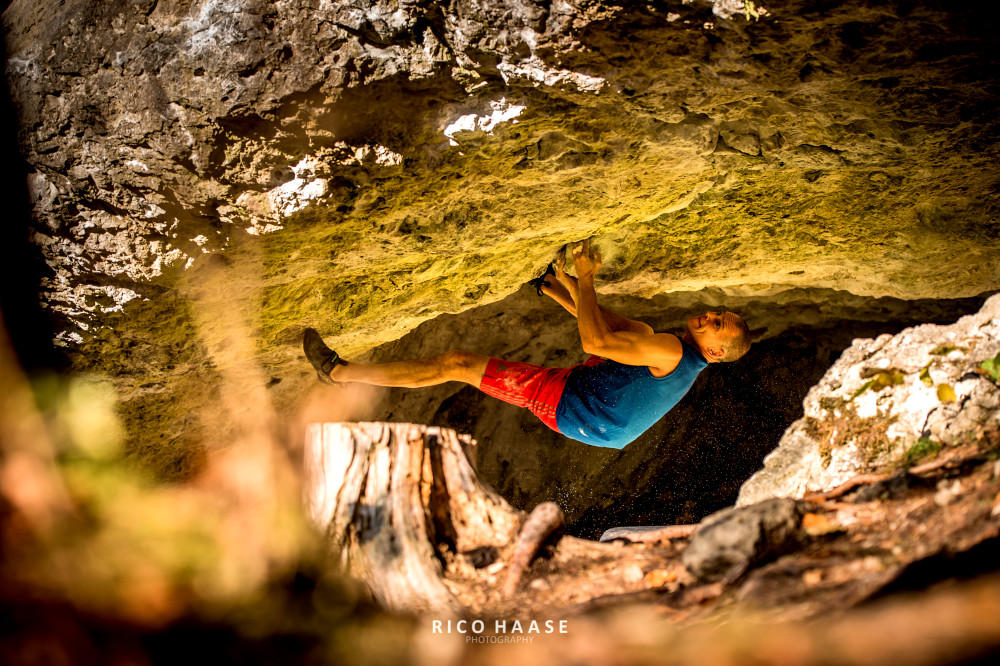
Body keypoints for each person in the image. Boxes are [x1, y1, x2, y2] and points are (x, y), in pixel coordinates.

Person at [303, 240, 751, 448]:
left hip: (577, 409)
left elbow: (594, 338)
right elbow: (606, 331)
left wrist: (589, 277)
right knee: (632, 332)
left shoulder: (673, 351)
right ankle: (550, 286)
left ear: (714, 351)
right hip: (601, 407)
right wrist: (568, 287)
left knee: (457, 362)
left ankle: (338, 372)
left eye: (718, 325)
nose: (710, 317)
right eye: (718, 314)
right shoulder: (668, 349)